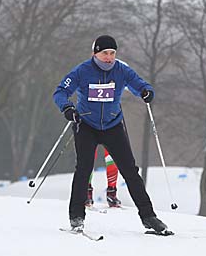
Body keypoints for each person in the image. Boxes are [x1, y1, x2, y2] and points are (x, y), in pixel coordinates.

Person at [53, 34, 168, 233]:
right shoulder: (82, 71)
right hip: (86, 124)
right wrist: (67, 108)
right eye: (104, 53)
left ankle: (149, 217)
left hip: (113, 125)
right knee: (84, 170)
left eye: (112, 53)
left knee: (130, 171)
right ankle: (77, 216)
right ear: (95, 53)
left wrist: (147, 91)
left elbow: (139, 84)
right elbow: (61, 91)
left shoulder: (121, 70)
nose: (109, 57)